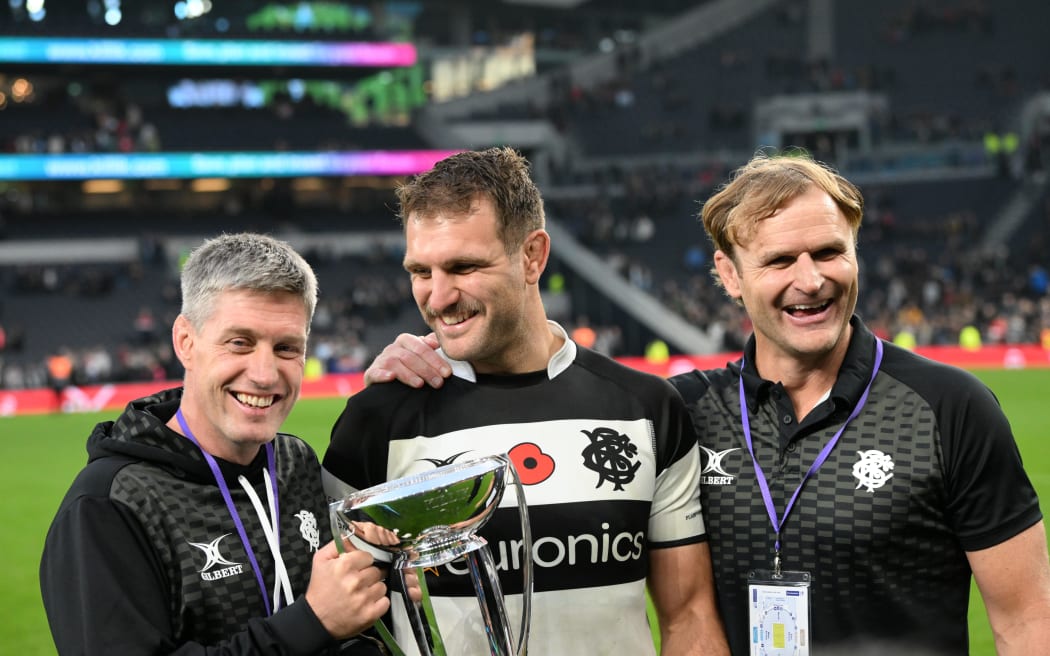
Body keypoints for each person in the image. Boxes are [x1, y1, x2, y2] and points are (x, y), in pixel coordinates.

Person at [362, 152, 1050, 654]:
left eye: (830, 253)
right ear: (729, 274)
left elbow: (1027, 623)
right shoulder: (683, 411)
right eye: (781, 261)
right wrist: (418, 361)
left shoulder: (948, 408)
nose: (810, 280)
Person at [322, 147, 730, 655]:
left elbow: (689, 616)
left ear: (532, 255)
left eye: (464, 266)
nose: (439, 296)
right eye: (421, 272)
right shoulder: (376, 422)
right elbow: (342, 622)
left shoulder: (646, 408)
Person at [41, 233, 392, 655]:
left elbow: (339, 622)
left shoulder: (295, 462)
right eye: (239, 343)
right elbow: (317, 620)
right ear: (185, 342)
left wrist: (373, 585)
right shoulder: (110, 505)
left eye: (286, 348)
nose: (264, 374)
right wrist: (312, 622)